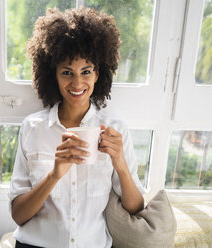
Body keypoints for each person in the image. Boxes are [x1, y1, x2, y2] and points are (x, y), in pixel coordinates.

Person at [8, 7, 145, 248]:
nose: (77, 82)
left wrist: (120, 165)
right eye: (67, 72)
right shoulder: (32, 128)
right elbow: (18, 215)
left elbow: (136, 207)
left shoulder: (115, 128)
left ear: (97, 74)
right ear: (54, 76)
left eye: (86, 71)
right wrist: (54, 175)